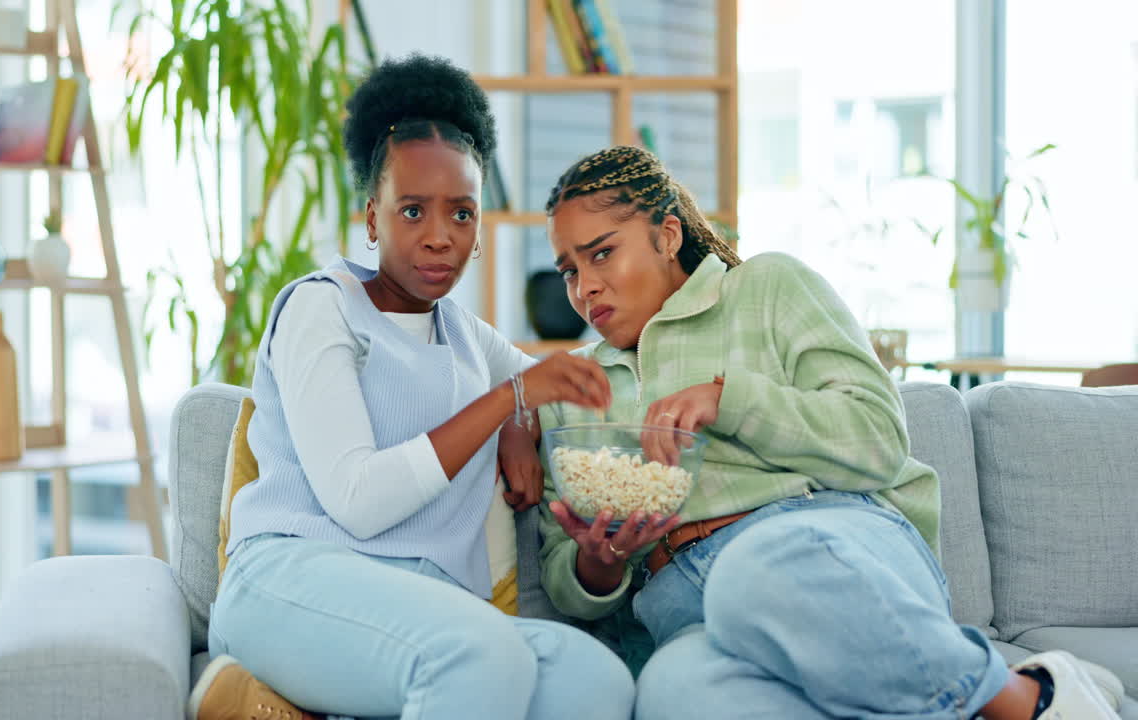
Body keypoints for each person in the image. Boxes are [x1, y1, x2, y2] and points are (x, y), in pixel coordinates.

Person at [537, 144, 1124, 720]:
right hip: (681, 606)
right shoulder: (573, 389)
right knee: (674, 692)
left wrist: (728, 398)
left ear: (667, 236)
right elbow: (566, 575)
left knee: (750, 570)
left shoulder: (766, 289)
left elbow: (877, 439)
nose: (584, 288)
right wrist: (600, 564)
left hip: (827, 548)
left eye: (603, 254)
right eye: (569, 270)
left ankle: (1031, 699)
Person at [188, 56, 634, 720]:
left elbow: (535, 385)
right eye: (413, 211)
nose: (439, 237)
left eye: (461, 214)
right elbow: (359, 500)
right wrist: (505, 406)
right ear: (372, 218)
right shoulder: (320, 308)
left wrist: (519, 420)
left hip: (421, 606)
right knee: (481, 655)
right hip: (291, 582)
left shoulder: (465, 335)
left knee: (594, 679)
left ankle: (289, 706)